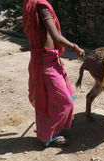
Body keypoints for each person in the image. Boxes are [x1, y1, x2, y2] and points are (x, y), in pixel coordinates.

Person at [22, 0, 85, 146]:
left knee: (53, 98)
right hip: (45, 62)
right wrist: (75, 47)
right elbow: (55, 37)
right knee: (64, 101)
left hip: (48, 58)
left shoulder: (29, 4)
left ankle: (56, 127)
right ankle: (50, 135)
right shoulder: (41, 6)